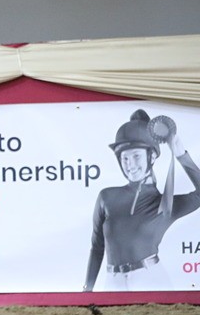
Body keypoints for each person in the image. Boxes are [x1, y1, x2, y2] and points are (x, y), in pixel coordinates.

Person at [83, 111, 200, 292]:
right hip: (112, 282)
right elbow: (97, 247)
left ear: (151, 157)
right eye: (125, 158)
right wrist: (86, 290)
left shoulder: (165, 204)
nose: (130, 164)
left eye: (136, 156)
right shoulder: (106, 197)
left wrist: (181, 155)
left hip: (151, 278)